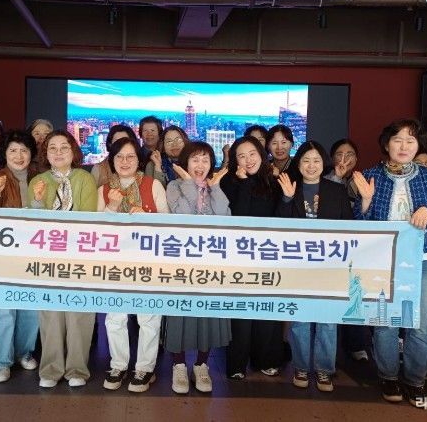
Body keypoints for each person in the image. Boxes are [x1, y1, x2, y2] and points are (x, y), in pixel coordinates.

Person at [353, 118, 427, 406]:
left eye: (410, 140)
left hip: (425, 259)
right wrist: (365, 201)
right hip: (384, 261)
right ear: (387, 145)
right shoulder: (371, 175)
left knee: (420, 325)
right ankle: (388, 376)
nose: (404, 146)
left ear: (418, 145)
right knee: (386, 322)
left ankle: (415, 381)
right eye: (398, 140)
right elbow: (360, 225)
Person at [277, 141, 353, 392]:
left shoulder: (337, 190)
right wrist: (287, 199)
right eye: (306, 161)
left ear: (324, 163)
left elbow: (349, 226)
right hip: (298, 266)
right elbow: (277, 226)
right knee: (300, 320)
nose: (311, 166)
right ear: (298, 163)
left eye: (316, 160)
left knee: (327, 321)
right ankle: (300, 366)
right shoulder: (290, 187)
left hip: (330, 265)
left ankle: (324, 369)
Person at [98, 137, 169, 393]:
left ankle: (145, 368)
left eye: (130, 156)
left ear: (139, 160)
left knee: (148, 317)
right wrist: (112, 207)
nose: (125, 161)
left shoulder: (153, 185)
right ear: (112, 160)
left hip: (148, 263)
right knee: (114, 317)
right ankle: (118, 365)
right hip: (115, 263)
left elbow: (168, 226)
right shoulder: (104, 189)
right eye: (119, 157)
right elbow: (96, 232)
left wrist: (148, 218)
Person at [28, 130, 97, 388]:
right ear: (45, 153)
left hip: (80, 255)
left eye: (64, 147)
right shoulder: (38, 180)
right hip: (48, 257)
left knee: (79, 313)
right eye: (52, 148)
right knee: (50, 313)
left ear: (73, 151)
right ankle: (50, 369)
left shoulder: (85, 178)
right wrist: (37, 201)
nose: (58, 153)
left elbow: (88, 218)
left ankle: (77, 369)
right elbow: (32, 223)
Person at [164, 141, 231, 394]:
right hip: (181, 263)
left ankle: (202, 365)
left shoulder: (216, 186)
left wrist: (216, 189)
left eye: (205, 160)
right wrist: (189, 185)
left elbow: (224, 219)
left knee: (207, 316)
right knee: (179, 315)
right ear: (185, 163)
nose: (200, 165)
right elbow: (184, 216)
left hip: (211, 264)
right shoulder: (173, 186)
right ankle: (179, 365)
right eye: (195, 159)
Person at [219, 136, 286, 380]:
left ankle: (266, 359)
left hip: (269, 256)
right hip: (238, 257)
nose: (248, 160)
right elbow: (239, 215)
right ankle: (237, 364)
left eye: (252, 154)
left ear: (262, 154)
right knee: (240, 314)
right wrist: (244, 183)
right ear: (234, 160)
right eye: (241, 156)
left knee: (266, 312)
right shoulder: (228, 182)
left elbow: (282, 217)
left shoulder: (275, 181)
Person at [0, 130, 40, 383]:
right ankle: (2, 361)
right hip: (4, 257)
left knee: (31, 309)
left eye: (24, 150)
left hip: (35, 255)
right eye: (13, 150)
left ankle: (24, 352)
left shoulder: (41, 178)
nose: (19, 156)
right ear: (5, 154)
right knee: (4, 310)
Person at [326, 138, 369, 361]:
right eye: (339, 154)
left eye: (349, 154)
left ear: (357, 158)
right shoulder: (324, 179)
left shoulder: (364, 179)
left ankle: (356, 345)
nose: (344, 159)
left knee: (355, 294)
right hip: (331, 248)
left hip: (358, 247)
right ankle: (327, 350)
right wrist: (337, 177)